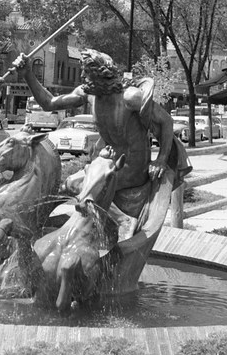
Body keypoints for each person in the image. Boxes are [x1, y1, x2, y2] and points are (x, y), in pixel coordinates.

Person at [13, 48, 190, 249]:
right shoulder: (89, 94)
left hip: (133, 168)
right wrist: (28, 74)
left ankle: (121, 223)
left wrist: (161, 159)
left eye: (86, 72)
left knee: (78, 185)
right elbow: (49, 103)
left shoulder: (130, 97)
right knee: (66, 186)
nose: (82, 76)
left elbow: (166, 121)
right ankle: (33, 227)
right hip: (106, 164)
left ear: (100, 75)